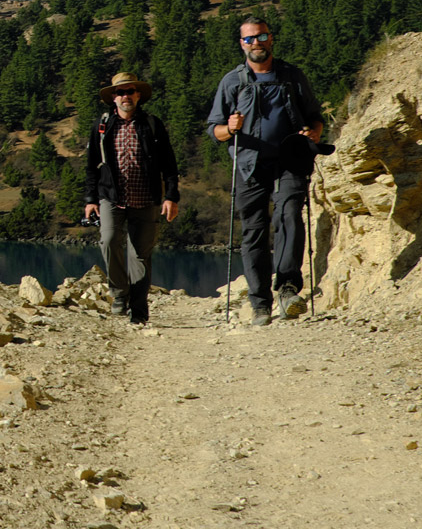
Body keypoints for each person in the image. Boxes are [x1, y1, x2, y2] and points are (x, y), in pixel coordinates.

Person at [206, 17, 326, 326]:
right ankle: (260, 302)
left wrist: (314, 133)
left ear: (271, 39)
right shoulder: (232, 81)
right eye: (249, 39)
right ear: (241, 44)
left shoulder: (292, 76)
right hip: (250, 163)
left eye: (260, 37)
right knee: (254, 230)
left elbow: (315, 117)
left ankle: (287, 289)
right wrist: (228, 128)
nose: (255, 43)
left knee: (288, 215)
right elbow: (214, 129)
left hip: (291, 158)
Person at [82, 72, 180, 325]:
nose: (125, 96)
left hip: (146, 198)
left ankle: (138, 310)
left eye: (130, 91)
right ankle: (118, 294)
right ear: (113, 98)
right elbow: (92, 165)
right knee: (109, 240)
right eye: (120, 92)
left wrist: (171, 196)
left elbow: (169, 164)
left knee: (140, 255)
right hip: (110, 197)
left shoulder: (152, 125)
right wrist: (90, 199)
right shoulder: (102, 126)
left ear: (138, 95)